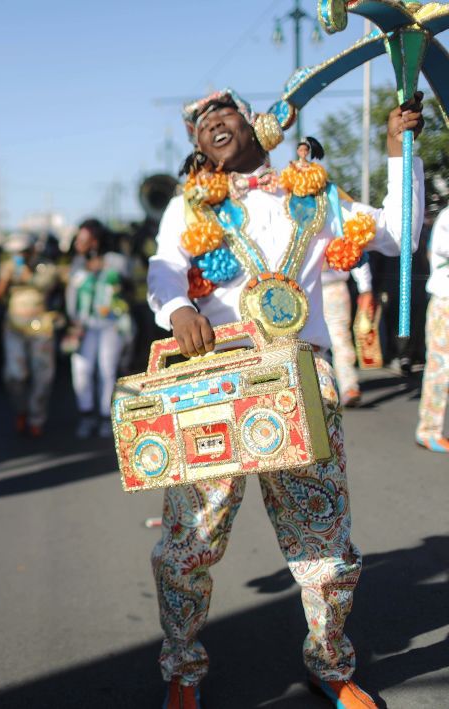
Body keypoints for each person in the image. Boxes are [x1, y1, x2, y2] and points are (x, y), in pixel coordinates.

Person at [147, 88, 423, 709]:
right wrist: (179, 306)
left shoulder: (315, 191)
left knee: (322, 536)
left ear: (257, 126)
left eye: (226, 115)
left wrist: (397, 153)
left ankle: (331, 664)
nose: (213, 124)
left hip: (302, 378)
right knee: (191, 539)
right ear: (197, 147)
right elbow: (164, 263)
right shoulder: (189, 203)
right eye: (201, 124)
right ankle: (183, 670)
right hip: (213, 382)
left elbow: (397, 232)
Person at [66, 218, 132, 439]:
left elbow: (128, 281)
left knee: (107, 370)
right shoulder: (76, 264)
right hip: (84, 327)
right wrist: (72, 321)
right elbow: (71, 295)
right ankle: (86, 415)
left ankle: (106, 417)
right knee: (82, 371)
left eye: (83, 239)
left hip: (110, 324)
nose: (78, 243)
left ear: (95, 241)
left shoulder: (115, 261)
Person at [0, 232, 60, 437]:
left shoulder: (46, 267)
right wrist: (5, 279)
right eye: (15, 253)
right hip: (14, 327)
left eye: (23, 252)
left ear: (32, 251)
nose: (19, 256)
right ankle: (21, 409)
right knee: (15, 374)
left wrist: (27, 275)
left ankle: (36, 417)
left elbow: (47, 285)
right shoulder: (6, 267)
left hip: (41, 326)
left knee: (43, 375)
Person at [416, 206, 449, 452]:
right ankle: (429, 430)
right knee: (441, 366)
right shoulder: (447, 216)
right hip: (445, 301)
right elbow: (440, 248)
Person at [321, 260, 374, 407]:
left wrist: (365, 288)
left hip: (334, 289)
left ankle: (348, 387)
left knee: (340, 339)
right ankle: (322, 389)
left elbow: (357, 252)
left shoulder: (338, 235)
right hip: (303, 290)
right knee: (310, 344)